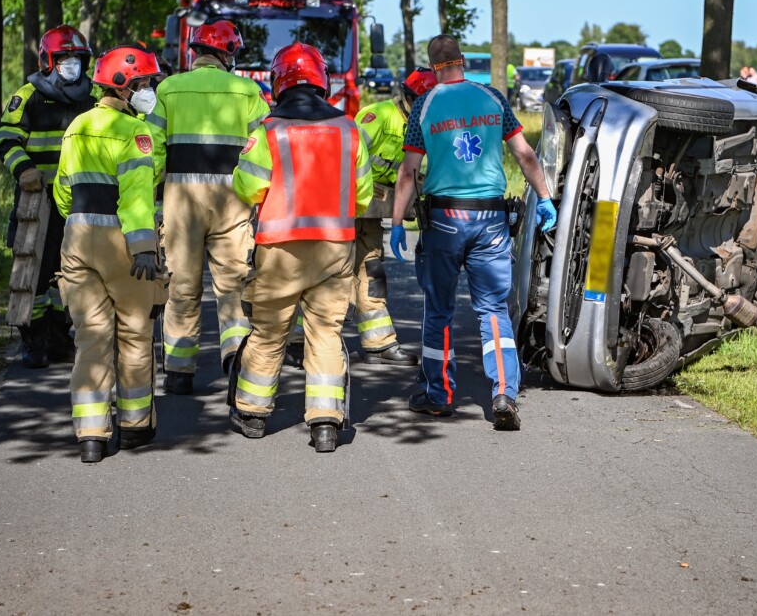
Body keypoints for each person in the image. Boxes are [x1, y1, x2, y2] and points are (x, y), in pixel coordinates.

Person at [391, 35, 557, 431]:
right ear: (463, 61)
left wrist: (397, 222)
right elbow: (525, 154)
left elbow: (409, 171)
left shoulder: (424, 106)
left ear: (433, 69)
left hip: (445, 219)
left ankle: (438, 396)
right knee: (493, 309)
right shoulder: (493, 98)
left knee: (439, 310)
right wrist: (545, 198)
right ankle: (503, 393)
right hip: (491, 220)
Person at [229, 42, 372, 453]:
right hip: (334, 247)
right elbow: (361, 196)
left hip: (280, 248)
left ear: (279, 83)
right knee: (325, 332)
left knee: (270, 332)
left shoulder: (268, 132)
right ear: (321, 82)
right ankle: (325, 421)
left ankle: (253, 415)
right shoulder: (349, 130)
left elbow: (248, 188)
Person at [54, 46, 166, 463]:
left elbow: (63, 191)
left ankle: (90, 437)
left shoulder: (77, 126)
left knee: (90, 340)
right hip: (123, 244)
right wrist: (143, 248)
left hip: (78, 239)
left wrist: (78, 224)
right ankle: (135, 427)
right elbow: (137, 198)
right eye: (145, 83)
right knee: (134, 334)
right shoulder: (133, 134)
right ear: (125, 85)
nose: (149, 89)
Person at [147, 20, 269, 395]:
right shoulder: (247, 90)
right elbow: (264, 148)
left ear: (196, 52)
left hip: (181, 198)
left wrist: (152, 197)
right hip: (233, 197)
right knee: (233, 284)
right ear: (228, 54)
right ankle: (235, 358)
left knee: (181, 284)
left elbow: (152, 148)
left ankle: (180, 372)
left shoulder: (167, 88)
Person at [0, 24, 95, 368]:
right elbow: (4, 138)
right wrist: (24, 170)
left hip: (77, 201)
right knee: (34, 273)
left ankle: (57, 334)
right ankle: (32, 338)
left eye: (77, 59)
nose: (72, 65)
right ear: (49, 61)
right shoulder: (29, 95)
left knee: (65, 272)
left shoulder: (92, 97)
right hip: (39, 199)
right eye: (65, 58)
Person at [343, 67, 437, 365]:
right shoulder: (379, 115)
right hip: (344, 205)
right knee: (330, 271)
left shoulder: (421, 126)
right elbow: (347, 155)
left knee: (372, 270)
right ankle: (302, 339)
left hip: (370, 209)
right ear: (409, 97)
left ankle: (379, 343)